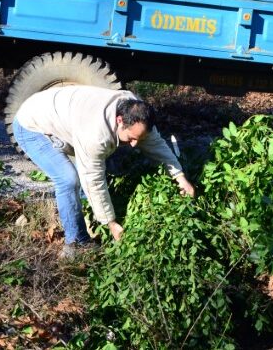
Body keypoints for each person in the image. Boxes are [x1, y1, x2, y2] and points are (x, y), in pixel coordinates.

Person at [12, 85, 195, 258]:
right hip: (32, 125)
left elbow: (156, 145)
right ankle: (76, 244)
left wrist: (180, 178)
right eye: (131, 138)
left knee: (92, 170)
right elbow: (93, 179)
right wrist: (111, 222)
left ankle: (89, 219)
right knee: (69, 179)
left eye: (138, 139)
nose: (134, 144)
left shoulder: (138, 113)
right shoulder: (95, 134)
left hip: (63, 114)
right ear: (119, 121)